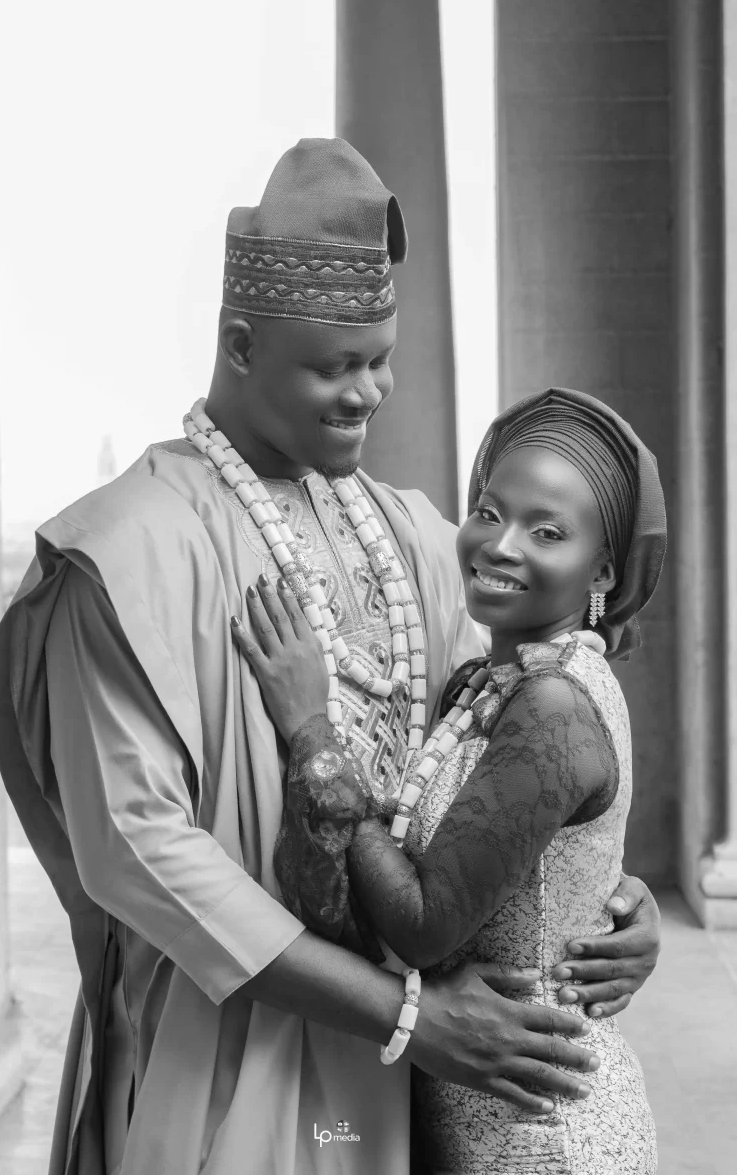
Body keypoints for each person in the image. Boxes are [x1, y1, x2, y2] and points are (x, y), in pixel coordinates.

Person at [0, 141, 661, 1175]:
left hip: (413, 1084)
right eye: (333, 365)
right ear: (240, 344)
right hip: (230, 1062)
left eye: (379, 358)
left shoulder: (414, 534)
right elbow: (140, 854)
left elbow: (503, 766)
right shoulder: (122, 555)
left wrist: (604, 897)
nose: (369, 392)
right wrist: (405, 1015)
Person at [233, 387, 664, 1173]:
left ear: (602, 567)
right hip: (482, 1111)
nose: (501, 545)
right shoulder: (490, 682)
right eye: (490, 513)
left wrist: (311, 731)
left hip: (543, 1134)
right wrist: (622, 896)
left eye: (547, 532)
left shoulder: (553, 705)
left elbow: (423, 923)